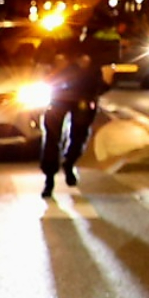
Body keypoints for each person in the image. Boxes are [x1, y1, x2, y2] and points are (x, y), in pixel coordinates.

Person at [38, 49, 110, 198]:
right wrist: (55, 66)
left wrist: (106, 79)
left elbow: (101, 83)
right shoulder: (59, 42)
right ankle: (49, 179)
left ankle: (69, 162)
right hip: (59, 97)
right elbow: (43, 67)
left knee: (79, 135)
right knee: (52, 137)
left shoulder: (95, 48)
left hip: (84, 98)